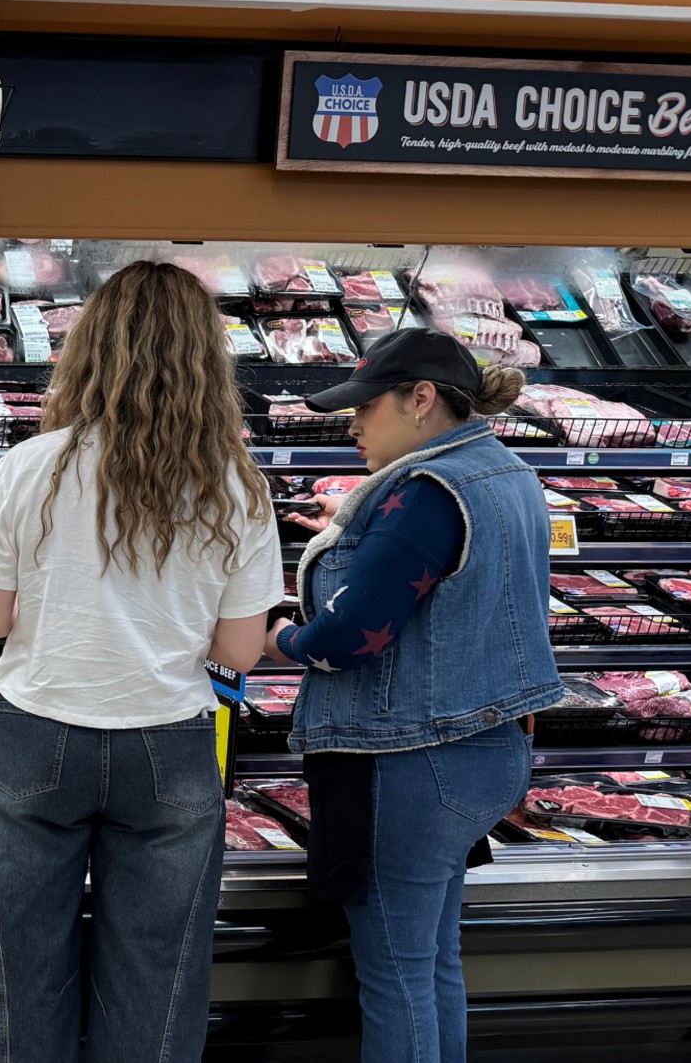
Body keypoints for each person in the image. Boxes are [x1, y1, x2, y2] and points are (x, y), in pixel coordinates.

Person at [0, 261, 284, 1063]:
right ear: (208, 359)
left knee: (19, 970)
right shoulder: (236, 484)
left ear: (88, 348)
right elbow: (238, 650)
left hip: (37, 734)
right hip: (169, 743)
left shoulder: (33, 464)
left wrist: (68, 607)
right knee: (157, 979)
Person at [260, 328, 561, 1063]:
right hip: (487, 751)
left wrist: (276, 637)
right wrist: (360, 545)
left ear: (420, 399)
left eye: (366, 406)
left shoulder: (429, 493)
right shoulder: (508, 471)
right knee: (432, 962)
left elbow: (347, 638)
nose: (353, 423)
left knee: (394, 976)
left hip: (410, 763)